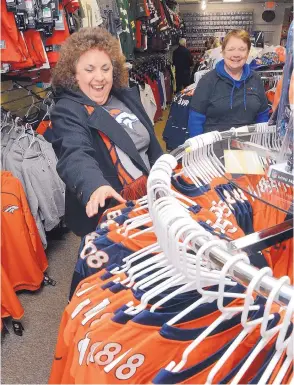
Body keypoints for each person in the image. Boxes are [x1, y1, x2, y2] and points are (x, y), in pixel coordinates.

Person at [50, 27, 163, 237]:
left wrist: (166, 172)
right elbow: (75, 153)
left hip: (149, 197)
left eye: (105, 68)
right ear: (74, 74)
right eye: (89, 69)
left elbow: (151, 145)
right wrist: (94, 186)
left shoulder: (126, 96)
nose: (99, 77)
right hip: (113, 212)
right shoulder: (68, 109)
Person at [188, 29, 270, 137]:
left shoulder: (256, 80)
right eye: (231, 49)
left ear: (248, 52)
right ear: (223, 51)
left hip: (248, 147)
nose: (236, 54)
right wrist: (198, 148)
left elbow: (262, 115)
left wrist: (261, 140)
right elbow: (196, 119)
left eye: (242, 49)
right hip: (214, 148)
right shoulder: (207, 81)